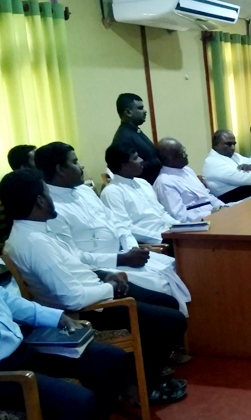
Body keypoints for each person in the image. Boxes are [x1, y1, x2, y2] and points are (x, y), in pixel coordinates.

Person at [0, 169, 188, 405]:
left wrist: (103, 273)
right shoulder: (34, 242)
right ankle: (143, 388)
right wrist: (110, 286)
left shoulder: (38, 230)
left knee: (167, 302)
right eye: (48, 193)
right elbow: (72, 298)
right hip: (88, 308)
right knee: (171, 321)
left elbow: (74, 261)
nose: (51, 198)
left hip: (95, 288)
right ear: (40, 200)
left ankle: (138, 375)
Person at [33, 142, 191, 315]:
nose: (81, 166)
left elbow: (118, 223)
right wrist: (121, 259)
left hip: (124, 254)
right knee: (162, 287)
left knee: (180, 268)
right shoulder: (51, 208)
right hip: (102, 268)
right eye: (75, 162)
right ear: (60, 169)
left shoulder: (85, 191)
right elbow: (74, 257)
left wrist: (132, 249)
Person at [0, 285, 127, 420]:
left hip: (21, 350)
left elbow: (14, 303)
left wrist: (58, 318)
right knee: (78, 401)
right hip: (5, 372)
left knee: (110, 359)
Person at [101, 143, 179, 244]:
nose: (141, 160)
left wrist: (181, 228)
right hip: (154, 242)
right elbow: (125, 228)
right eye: (135, 158)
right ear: (124, 165)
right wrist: (162, 237)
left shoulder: (143, 183)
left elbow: (162, 214)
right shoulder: (112, 192)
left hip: (170, 235)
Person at [154, 138, 226, 222]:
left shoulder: (187, 170)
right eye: (181, 153)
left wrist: (224, 207)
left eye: (184, 151)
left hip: (214, 214)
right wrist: (210, 213)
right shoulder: (164, 182)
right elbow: (180, 217)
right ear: (169, 158)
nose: (186, 155)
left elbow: (207, 196)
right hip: (199, 223)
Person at [202, 130, 251, 203]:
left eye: (234, 144)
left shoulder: (234, 156)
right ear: (216, 145)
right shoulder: (211, 162)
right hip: (236, 204)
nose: (232, 147)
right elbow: (244, 179)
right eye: (228, 144)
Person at [112, 93, 162, 185]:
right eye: (140, 108)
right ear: (128, 112)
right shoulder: (123, 138)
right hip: (141, 187)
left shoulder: (135, 131)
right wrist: (158, 161)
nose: (145, 111)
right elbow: (130, 168)